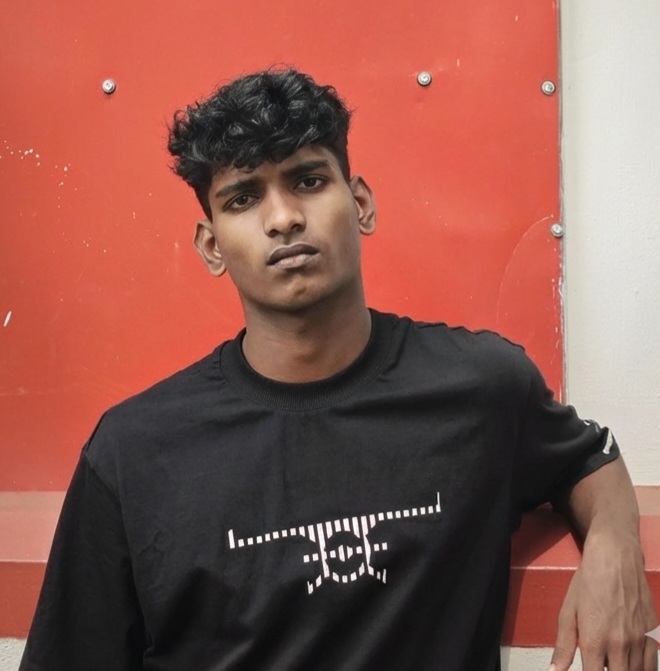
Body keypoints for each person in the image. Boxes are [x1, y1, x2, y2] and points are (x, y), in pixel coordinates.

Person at [20, 68, 657, 671]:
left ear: (361, 204)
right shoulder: (134, 455)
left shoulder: (480, 389)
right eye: (243, 198)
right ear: (212, 246)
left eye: (307, 181)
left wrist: (614, 549)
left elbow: (587, 461)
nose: (283, 218)